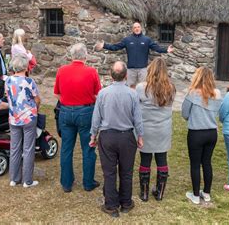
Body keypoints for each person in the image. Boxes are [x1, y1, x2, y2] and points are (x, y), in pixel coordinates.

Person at [90, 61, 144, 218]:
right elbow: (138, 118)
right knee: (126, 172)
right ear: (126, 76)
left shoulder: (102, 93)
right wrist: (140, 136)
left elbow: (96, 117)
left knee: (109, 172)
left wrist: (93, 136)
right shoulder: (132, 94)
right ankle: (126, 203)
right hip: (127, 137)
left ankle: (111, 205)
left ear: (110, 75)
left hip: (108, 137)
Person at [53, 43, 101, 193]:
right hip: (85, 111)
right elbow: (98, 94)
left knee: (66, 148)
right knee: (88, 148)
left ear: (71, 56)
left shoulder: (62, 70)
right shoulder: (91, 71)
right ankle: (88, 183)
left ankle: (66, 183)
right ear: (85, 56)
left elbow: (57, 93)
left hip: (66, 111)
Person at [135, 57, 175, 202]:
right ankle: (159, 192)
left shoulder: (141, 88)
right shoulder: (171, 88)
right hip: (163, 128)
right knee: (162, 159)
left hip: (146, 129)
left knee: (145, 160)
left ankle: (144, 193)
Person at [181, 67, 222, 204]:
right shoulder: (217, 94)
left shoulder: (192, 94)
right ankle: (207, 193)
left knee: (195, 164)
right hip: (211, 133)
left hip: (196, 133)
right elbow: (217, 113)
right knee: (207, 162)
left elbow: (185, 114)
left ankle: (195, 196)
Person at [95, 22, 173, 88]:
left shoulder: (146, 40)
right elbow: (116, 47)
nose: (137, 28)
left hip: (143, 70)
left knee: (143, 88)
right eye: (135, 27)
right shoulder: (127, 40)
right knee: (129, 88)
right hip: (131, 70)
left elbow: (157, 48)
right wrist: (104, 45)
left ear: (141, 28)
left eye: (138, 27)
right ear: (132, 29)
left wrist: (166, 50)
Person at [5, 53, 41, 188]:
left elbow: (8, 96)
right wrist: (35, 109)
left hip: (14, 117)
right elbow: (37, 99)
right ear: (26, 68)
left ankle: (14, 178)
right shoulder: (29, 81)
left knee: (14, 148)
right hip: (28, 118)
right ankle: (27, 180)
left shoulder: (8, 80)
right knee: (28, 148)